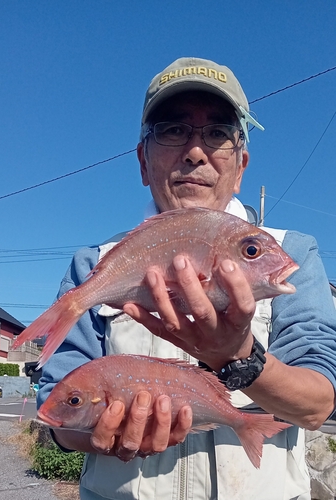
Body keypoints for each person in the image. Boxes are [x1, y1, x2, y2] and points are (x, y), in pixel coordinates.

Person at [37, 57, 336, 500]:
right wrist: (113, 435)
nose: (196, 152)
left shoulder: (290, 252)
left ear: (241, 166)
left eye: (217, 134)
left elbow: (317, 405)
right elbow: (58, 411)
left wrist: (240, 356)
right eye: (173, 130)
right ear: (142, 162)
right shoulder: (95, 265)